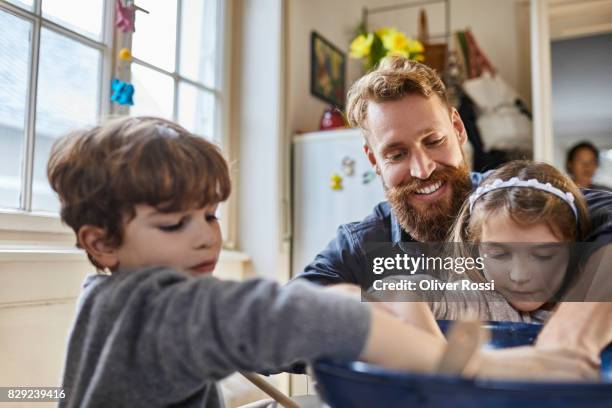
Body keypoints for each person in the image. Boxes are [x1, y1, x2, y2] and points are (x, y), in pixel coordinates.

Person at [50, 117, 593, 407]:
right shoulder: (165, 308)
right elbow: (297, 317)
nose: (204, 241)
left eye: (211, 217)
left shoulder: (105, 297)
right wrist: (474, 366)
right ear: (102, 243)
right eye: (174, 224)